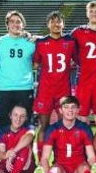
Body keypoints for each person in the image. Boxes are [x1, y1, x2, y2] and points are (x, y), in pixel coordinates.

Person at [33, 96, 96, 173]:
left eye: (73, 107)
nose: (70, 110)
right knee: (55, 170)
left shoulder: (84, 128)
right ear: (60, 110)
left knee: (84, 168)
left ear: (78, 110)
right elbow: (45, 158)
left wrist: (94, 168)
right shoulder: (53, 129)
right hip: (62, 168)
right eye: (66, 107)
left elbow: (91, 156)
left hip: (78, 167)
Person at [33, 11, 77, 157]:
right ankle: (41, 159)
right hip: (45, 90)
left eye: (59, 21)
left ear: (63, 24)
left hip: (63, 91)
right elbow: (34, 64)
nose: (56, 24)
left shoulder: (70, 41)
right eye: (53, 21)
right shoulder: (40, 43)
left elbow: (78, 60)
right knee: (43, 126)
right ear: (48, 25)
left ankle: (60, 158)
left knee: (63, 126)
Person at [0, 10, 35, 130]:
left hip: (25, 88)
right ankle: (3, 149)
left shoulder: (31, 43)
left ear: (23, 25)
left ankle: (27, 149)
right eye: (12, 21)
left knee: (26, 124)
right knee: (4, 124)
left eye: (18, 22)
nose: (15, 24)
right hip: (5, 88)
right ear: (7, 24)